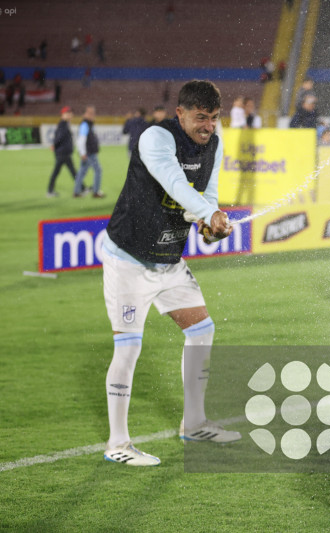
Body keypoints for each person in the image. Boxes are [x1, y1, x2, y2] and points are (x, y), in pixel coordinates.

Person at [101, 80, 240, 466]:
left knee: (202, 330)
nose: (208, 126)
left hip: (169, 260)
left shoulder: (214, 142)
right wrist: (206, 213)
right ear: (180, 113)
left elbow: (207, 194)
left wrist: (210, 227)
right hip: (128, 259)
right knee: (128, 347)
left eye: (213, 118)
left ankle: (194, 423)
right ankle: (117, 444)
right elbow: (176, 184)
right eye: (200, 118)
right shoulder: (155, 138)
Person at [73, 105, 104, 197]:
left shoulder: (88, 124)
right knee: (98, 170)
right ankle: (96, 191)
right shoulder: (85, 125)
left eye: (93, 113)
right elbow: (80, 140)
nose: (92, 115)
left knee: (82, 171)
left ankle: (77, 192)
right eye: (90, 113)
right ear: (84, 114)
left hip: (87, 153)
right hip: (89, 153)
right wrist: (82, 153)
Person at [46, 106, 77, 196]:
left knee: (70, 171)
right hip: (62, 153)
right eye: (68, 113)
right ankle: (50, 191)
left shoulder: (64, 124)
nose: (70, 114)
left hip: (63, 152)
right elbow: (59, 137)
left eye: (70, 113)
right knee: (65, 171)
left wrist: (55, 145)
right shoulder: (63, 125)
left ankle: (81, 187)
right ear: (63, 115)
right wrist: (54, 145)